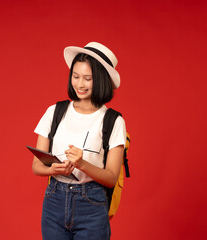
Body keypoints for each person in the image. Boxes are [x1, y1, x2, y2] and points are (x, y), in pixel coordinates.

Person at [32, 42, 126, 240]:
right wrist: (53, 170)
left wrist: (82, 164)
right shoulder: (55, 111)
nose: (79, 84)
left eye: (87, 78)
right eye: (75, 76)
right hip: (54, 201)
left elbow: (110, 177)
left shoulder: (113, 120)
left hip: (91, 204)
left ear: (100, 80)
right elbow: (36, 166)